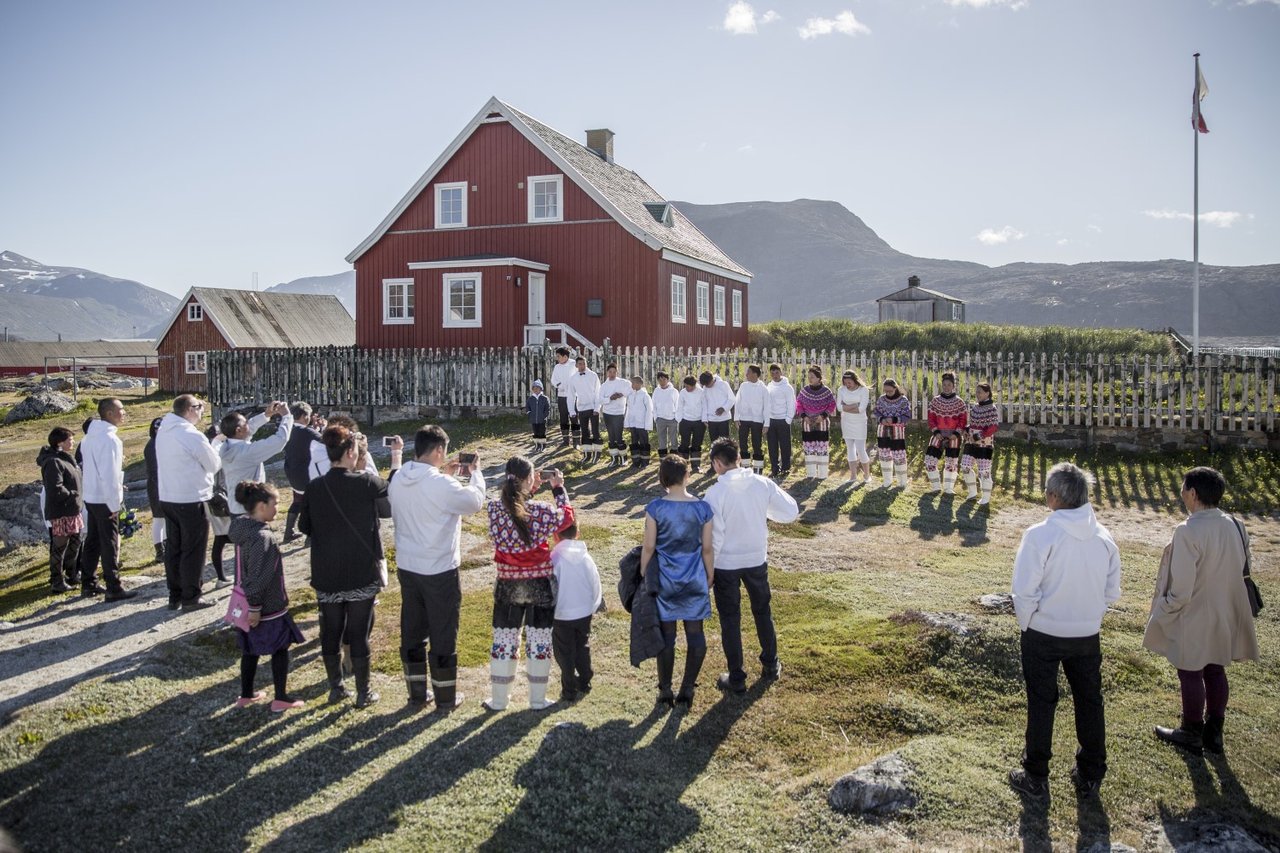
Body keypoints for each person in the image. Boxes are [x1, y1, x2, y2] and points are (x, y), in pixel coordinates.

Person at [1008, 462, 1121, 800]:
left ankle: (1036, 774)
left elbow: (1023, 589)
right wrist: (1091, 615)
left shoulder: (1041, 534)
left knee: (1042, 702)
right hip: (1087, 633)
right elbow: (1111, 591)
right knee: (1089, 700)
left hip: (1043, 630)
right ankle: (1090, 772)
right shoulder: (1104, 537)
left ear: (1054, 497)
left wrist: (1028, 621)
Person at [1143, 467, 1260, 756]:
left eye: (1183, 488)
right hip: (1226, 608)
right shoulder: (1235, 524)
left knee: (1190, 669)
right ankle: (1214, 732)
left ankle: (1191, 729)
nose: (1181, 493)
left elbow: (1181, 587)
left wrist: (1163, 611)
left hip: (1195, 609)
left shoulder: (1188, 530)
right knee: (1215, 667)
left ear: (1193, 493)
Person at [299, 425, 400, 708]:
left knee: (330, 631)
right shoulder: (366, 482)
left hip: (326, 570)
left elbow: (304, 526)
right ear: (350, 452)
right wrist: (395, 457)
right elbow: (391, 498)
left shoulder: (315, 486)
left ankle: (336, 687)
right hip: (360, 568)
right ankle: (363, 692)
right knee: (359, 633)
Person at [388, 425, 484, 712]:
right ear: (440, 450)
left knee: (413, 629)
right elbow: (473, 502)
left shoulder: (400, 477)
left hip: (407, 564)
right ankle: (445, 696)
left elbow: (425, 494)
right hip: (439, 567)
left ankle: (416, 694)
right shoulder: (441, 485)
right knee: (443, 632)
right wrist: (476, 473)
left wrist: (446, 476)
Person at [704, 438, 798, 695]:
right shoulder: (761, 483)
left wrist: (709, 569)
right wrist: (762, 512)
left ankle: (737, 676)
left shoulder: (715, 493)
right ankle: (771, 663)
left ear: (717, 463)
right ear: (739, 458)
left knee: (730, 619)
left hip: (726, 563)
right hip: (756, 557)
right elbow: (791, 511)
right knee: (762, 611)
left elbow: (715, 536)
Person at [485, 457, 574, 711]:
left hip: (508, 584)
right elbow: (566, 518)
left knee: (504, 639)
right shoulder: (541, 511)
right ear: (527, 480)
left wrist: (528, 488)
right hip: (539, 584)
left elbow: (516, 506)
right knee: (539, 640)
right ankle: (537, 699)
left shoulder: (493, 509)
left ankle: (499, 699)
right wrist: (558, 488)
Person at [640, 454, 714, 709]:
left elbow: (649, 546)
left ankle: (665, 688)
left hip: (666, 578)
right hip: (694, 576)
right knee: (695, 633)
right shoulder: (703, 508)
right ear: (687, 476)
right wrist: (710, 574)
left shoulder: (656, 508)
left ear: (662, 479)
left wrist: (642, 571)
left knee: (667, 635)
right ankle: (687, 687)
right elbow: (707, 548)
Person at [229, 481, 306, 713]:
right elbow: (260, 575)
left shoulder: (242, 529)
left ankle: (246, 694)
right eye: (275, 504)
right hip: (267, 606)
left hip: (246, 601)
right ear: (261, 506)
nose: (277, 509)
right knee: (280, 648)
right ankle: (281, 697)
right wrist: (255, 606)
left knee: (249, 650)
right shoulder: (263, 537)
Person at [157, 394, 222, 611]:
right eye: (199, 406)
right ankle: (191, 596)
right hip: (191, 496)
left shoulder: (164, 430)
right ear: (190, 410)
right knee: (193, 549)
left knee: (174, 547)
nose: (202, 410)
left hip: (168, 495)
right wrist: (216, 444)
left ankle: (174, 594)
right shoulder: (190, 434)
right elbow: (213, 464)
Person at [79, 398, 136, 602]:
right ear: (110, 413)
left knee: (93, 540)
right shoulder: (111, 439)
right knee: (109, 541)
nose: (124, 413)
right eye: (121, 409)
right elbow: (110, 475)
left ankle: (89, 582)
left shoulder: (88, 438)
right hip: (105, 497)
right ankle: (114, 586)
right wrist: (115, 504)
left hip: (91, 496)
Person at [551, 523, 602, 703]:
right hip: (584, 611)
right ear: (578, 533)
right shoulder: (586, 557)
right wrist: (594, 604)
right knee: (582, 645)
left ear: (555, 535)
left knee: (564, 652)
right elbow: (595, 581)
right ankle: (585, 678)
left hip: (562, 613)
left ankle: (569, 689)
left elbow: (551, 588)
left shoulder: (554, 559)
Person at [39, 427, 82, 594]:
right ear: (60, 442)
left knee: (76, 542)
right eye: (69, 439)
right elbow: (55, 487)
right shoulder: (52, 461)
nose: (72, 442)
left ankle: (72, 573)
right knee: (60, 545)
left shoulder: (65, 458)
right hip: (62, 510)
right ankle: (57, 580)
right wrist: (71, 494)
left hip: (73, 509)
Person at [283, 402, 324, 543]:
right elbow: (326, 441)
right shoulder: (307, 432)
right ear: (304, 416)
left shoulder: (287, 429)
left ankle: (288, 532)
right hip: (307, 473)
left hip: (292, 471)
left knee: (297, 501)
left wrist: (314, 428)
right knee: (314, 503)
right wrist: (322, 428)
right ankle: (310, 536)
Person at [925, 372, 967, 494]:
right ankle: (936, 486)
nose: (946, 387)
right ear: (941, 385)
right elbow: (931, 419)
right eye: (944, 385)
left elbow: (963, 420)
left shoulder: (959, 402)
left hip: (954, 436)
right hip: (938, 435)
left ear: (953, 386)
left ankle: (948, 488)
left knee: (951, 462)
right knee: (929, 460)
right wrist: (936, 432)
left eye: (949, 385)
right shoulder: (935, 401)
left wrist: (957, 434)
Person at [961, 383, 999, 505]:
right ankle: (972, 492)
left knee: (984, 471)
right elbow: (972, 424)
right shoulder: (975, 407)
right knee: (965, 466)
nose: (977, 394)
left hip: (984, 445)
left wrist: (977, 436)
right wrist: (966, 431)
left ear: (987, 393)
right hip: (970, 443)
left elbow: (993, 427)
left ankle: (986, 498)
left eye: (980, 392)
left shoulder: (992, 408)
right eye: (976, 392)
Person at [795, 367, 837, 479]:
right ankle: (810, 474)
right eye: (808, 377)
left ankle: (822, 474)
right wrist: (804, 416)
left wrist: (823, 416)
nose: (810, 379)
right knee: (808, 447)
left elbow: (832, 405)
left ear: (819, 378)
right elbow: (798, 404)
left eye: (812, 377)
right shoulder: (804, 391)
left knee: (822, 447)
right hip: (807, 422)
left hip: (822, 422)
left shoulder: (826, 391)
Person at [873, 379, 912, 489]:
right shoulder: (881, 399)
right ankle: (887, 481)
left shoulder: (903, 400)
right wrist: (882, 419)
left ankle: (902, 482)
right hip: (883, 431)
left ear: (895, 388)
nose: (888, 393)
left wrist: (894, 419)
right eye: (886, 391)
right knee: (884, 455)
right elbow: (876, 412)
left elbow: (907, 415)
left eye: (890, 391)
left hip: (897, 432)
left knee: (899, 455)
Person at [837, 369, 871, 485]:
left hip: (860, 423)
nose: (848, 385)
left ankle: (867, 475)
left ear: (855, 380)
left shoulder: (863, 390)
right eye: (845, 382)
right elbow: (839, 408)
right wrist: (855, 405)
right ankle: (853, 476)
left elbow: (861, 409)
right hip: (846, 422)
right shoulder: (841, 390)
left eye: (849, 382)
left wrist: (847, 407)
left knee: (861, 449)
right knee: (850, 448)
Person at [734, 365, 768, 476]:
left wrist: (766, 424)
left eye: (748, 372)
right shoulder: (743, 386)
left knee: (756, 444)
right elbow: (737, 401)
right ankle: (745, 468)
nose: (746, 374)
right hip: (744, 419)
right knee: (743, 443)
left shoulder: (763, 388)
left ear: (755, 374)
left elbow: (768, 407)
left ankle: (758, 470)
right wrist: (736, 418)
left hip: (757, 420)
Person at [567, 356, 602, 465]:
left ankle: (597, 455)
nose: (582, 366)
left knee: (595, 431)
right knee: (585, 432)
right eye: (580, 364)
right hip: (582, 408)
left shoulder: (593, 375)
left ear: (586, 364)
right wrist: (571, 411)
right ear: (576, 365)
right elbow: (570, 396)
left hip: (593, 407)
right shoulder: (573, 378)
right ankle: (587, 455)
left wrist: (597, 408)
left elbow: (598, 393)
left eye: (584, 363)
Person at [765, 364, 796, 479]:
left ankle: (785, 468)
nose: (774, 375)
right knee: (772, 445)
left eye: (777, 373)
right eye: (772, 373)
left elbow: (791, 404)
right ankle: (774, 468)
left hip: (783, 420)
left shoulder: (787, 387)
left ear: (781, 372)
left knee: (785, 445)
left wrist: (788, 420)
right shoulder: (769, 386)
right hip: (771, 420)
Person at [599, 363, 631, 468]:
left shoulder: (622, 382)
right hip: (608, 413)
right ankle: (614, 459)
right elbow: (600, 399)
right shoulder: (604, 385)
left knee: (619, 436)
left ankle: (624, 459)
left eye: (614, 372)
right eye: (610, 372)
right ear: (607, 373)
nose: (612, 374)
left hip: (618, 413)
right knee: (611, 437)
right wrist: (610, 398)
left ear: (617, 372)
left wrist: (621, 394)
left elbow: (630, 389)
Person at [143, 417, 166, 564]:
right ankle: (160, 551)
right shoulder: (152, 446)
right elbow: (155, 470)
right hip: (157, 485)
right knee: (159, 518)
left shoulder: (162, 444)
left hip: (164, 484)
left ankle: (166, 546)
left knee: (166, 519)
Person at [549, 346, 580, 448]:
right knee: (563, 417)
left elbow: (578, 375)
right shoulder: (557, 367)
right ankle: (565, 440)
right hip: (562, 395)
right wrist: (559, 385)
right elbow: (553, 380)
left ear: (565, 356)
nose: (557, 358)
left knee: (574, 417)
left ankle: (576, 441)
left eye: (558, 356)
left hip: (573, 396)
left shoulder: (573, 364)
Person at [677, 375, 706, 474]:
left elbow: (704, 406)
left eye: (688, 386)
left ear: (694, 385)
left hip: (699, 421)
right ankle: (682, 465)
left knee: (697, 444)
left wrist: (704, 419)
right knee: (684, 443)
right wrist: (679, 419)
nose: (687, 388)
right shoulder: (683, 392)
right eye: (685, 386)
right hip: (685, 421)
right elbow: (679, 406)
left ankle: (696, 466)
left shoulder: (701, 392)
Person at [624, 375, 654, 468]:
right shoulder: (630, 395)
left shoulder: (645, 395)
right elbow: (628, 409)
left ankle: (645, 461)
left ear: (639, 384)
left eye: (633, 382)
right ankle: (635, 461)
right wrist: (627, 422)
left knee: (644, 442)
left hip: (642, 424)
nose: (632, 384)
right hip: (633, 423)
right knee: (634, 442)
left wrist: (648, 425)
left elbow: (649, 410)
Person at [652, 371, 680, 459]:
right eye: (660, 380)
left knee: (673, 438)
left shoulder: (674, 391)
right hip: (660, 419)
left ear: (668, 380)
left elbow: (678, 404)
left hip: (672, 419)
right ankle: (663, 458)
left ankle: (674, 458)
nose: (662, 381)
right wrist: (656, 417)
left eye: (664, 379)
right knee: (661, 439)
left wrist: (676, 418)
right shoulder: (656, 391)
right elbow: (654, 405)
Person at [525, 380, 552, 454]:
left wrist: (544, 416)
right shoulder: (530, 399)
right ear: (532, 389)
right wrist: (529, 413)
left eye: (537, 388)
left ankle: (543, 446)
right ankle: (537, 445)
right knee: (535, 433)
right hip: (533, 420)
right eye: (534, 388)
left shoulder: (544, 398)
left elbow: (547, 408)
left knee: (542, 433)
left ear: (541, 389)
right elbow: (527, 407)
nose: (536, 389)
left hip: (542, 420)